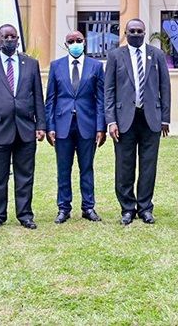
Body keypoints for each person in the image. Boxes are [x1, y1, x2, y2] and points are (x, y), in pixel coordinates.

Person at [0, 24, 46, 230]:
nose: (9, 40)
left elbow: (38, 97)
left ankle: (25, 215)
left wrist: (40, 124)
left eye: (13, 37)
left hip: (26, 129)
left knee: (25, 175)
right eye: (5, 37)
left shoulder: (31, 64)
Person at [106, 19, 171, 226]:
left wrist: (165, 118)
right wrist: (111, 121)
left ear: (144, 32)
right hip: (124, 119)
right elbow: (109, 90)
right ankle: (127, 208)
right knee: (124, 166)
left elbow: (165, 87)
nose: (136, 34)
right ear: (125, 33)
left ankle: (145, 207)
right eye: (132, 31)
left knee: (148, 165)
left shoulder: (157, 55)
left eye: (139, 31)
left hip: (151, 118)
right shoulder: (116, 55)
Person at [46, 30, 106, 224]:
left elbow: (100, 100)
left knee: (86, 168)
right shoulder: (56, 66)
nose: (75, 44)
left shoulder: (96, 66)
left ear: (85, 42)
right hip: (63, 125)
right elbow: (51, 100)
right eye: (71, 41)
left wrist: (100, 127)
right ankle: (63, 208)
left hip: (87, 125)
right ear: (66, 44)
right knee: (63, 169)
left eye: (78, 41)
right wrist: (50, 126)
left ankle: (88, 207)